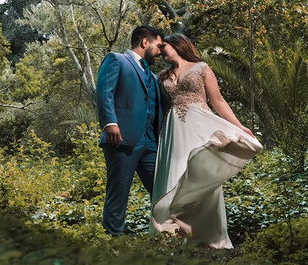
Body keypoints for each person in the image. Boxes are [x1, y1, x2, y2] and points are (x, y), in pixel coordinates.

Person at [151, 33, 262, 249]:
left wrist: (239, 127)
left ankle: (207, 238)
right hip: (173, 130)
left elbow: (218, 101)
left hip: (198, 126)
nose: (161, 50)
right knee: (175, 174)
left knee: (199, 174)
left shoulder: (202, 67)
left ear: (178, 45)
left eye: (165, 46)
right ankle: (173, 237)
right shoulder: (162, 76)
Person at [95, 25, 164, 236]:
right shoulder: (116, 59)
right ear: (145, 42)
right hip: (122, 139)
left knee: (163, 190)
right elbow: (103, 91)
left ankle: (169, 235)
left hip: (151, 143)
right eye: (158, 45)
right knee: (118, 192)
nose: (160, 51)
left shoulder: (152, 76)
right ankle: (114, 241)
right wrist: (110, 123)